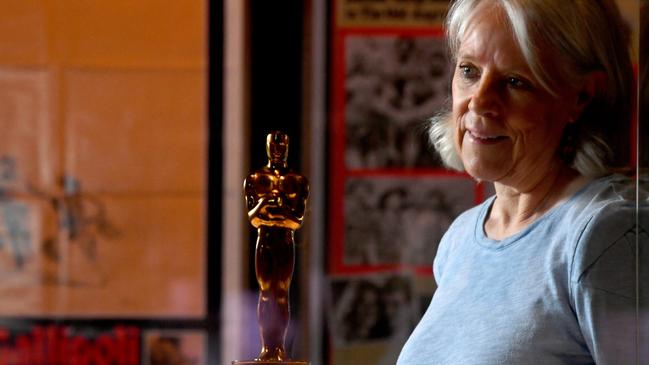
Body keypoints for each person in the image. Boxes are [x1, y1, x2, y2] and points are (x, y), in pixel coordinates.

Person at [397, 1, 644, 364]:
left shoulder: (608, 234)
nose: (479, 102)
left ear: (582, 96)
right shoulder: (460, 239)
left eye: (515, 82)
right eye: (468, 70)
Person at [243, 131, 309, 362]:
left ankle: (277, 347)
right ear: (268, 147)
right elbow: (253, 217)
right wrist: (267, 203)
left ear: (288, 147)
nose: (278, 150)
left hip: (284, 240)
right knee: (265, 293)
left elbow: (296, 220)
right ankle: (267, 348)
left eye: (282, 146)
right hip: (266, 239)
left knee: (281, 293)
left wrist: (274, 208)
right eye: (275, 145)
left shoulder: (297, 181)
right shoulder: (256, 178)